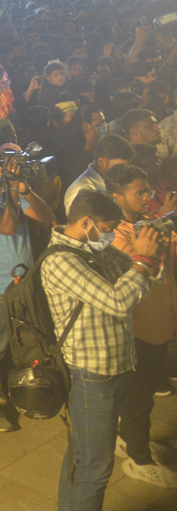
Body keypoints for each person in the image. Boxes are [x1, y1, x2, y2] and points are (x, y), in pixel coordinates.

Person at [43, 189, 160, 511]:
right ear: (86, 223)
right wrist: (141, 261)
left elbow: (139, 280)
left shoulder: (95, 247)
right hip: (91, 374)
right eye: (107, 228)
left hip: (113, 364)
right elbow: (117, 299)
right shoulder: (60, 261)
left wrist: (151, 256)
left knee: (81, 452)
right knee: (95, 466)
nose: (111, 235)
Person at [0, 154, 54, 432]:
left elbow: (48, 218)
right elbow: (7, 227)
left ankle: (14, 392)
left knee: (21, 346)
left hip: (23, 287)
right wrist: (14, 193)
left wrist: (24, 189)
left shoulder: (12, 195)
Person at [103, 164, 177, 487]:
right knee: (139, 395)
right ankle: (139, 458)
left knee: (145, 390)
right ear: (117, 197)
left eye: (148, 191)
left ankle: (126, 440)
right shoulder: (116, 234)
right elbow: (146, 268)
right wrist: (161, 235)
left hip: (161, 320)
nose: (147, 198)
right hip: (141, 328)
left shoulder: (148, 224)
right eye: (140, 193)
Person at [63, 135, 134, 215]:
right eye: (118, 167)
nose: (123, 172)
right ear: (101, 162)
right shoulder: (83, 189)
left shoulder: (112, 180)